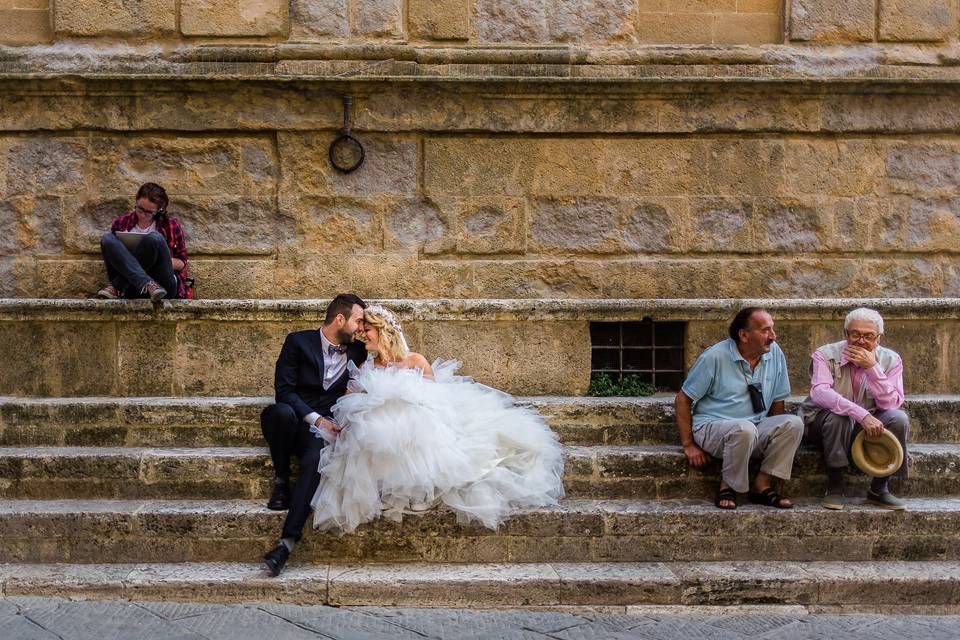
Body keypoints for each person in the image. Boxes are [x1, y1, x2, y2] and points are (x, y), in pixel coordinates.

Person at [309, 305, 565, 535]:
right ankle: (393, 487)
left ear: (382, 330)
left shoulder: (414, 360)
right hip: (383, 437)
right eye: (361, 330)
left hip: (419, 429)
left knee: (410, 415)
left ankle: (421, 487)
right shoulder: (367, 365)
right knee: (374, 423)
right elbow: (354, 398)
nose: (362, 335)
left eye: (367, 330)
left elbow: (436, 399)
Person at [261, 294, 367, 577]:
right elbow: (284, 391)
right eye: (358, 321)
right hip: (296, 420)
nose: (360, 328)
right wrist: (318, 419)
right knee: (279, 412)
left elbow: (385, 360)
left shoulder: (358, 352)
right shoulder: (297, 341)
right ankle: (281, 480)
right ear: (340, 319)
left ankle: (286, 544)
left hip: (322, 433)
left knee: (315, 462)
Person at [676, 307, 804, 510]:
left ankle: (762, 484)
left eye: (772, 329)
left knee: (794, 423)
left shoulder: (775, 353)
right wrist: (688, 445)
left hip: (754, 427)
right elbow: (683, 399)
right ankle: (726, 485)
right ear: (743, 335)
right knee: (744, 429)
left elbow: (778, 400)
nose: (773, 336)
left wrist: (771, 438)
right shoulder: (715, 357)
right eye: (765, 330)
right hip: (713, 427)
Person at [800, 308, 909, 511]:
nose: (861, 341)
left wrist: (872, 368)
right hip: (823, 425)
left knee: (898, 418)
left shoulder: (891, 360)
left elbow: (891, 403)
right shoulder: (824, 355)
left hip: (867, 427)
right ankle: (835, 485)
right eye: (855, 334)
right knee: (839, 417)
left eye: (868, 336)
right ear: (845, 334)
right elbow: (820, 394)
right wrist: (861, 414)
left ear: (879, 338)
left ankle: (880, 488)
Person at [96, 182, 192, 301]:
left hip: (163, 286)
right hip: (133, 287)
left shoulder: (170, 225)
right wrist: (131, 261)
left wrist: (154, 258)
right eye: (140, 208)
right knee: (107, 239)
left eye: (148, 212)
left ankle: (116, 286)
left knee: (153, 239)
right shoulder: (121, 223)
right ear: (136, 201)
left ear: (159, 211)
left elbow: (182, 262)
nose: (142, 214)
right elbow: (114, 257)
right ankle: (147, 283)